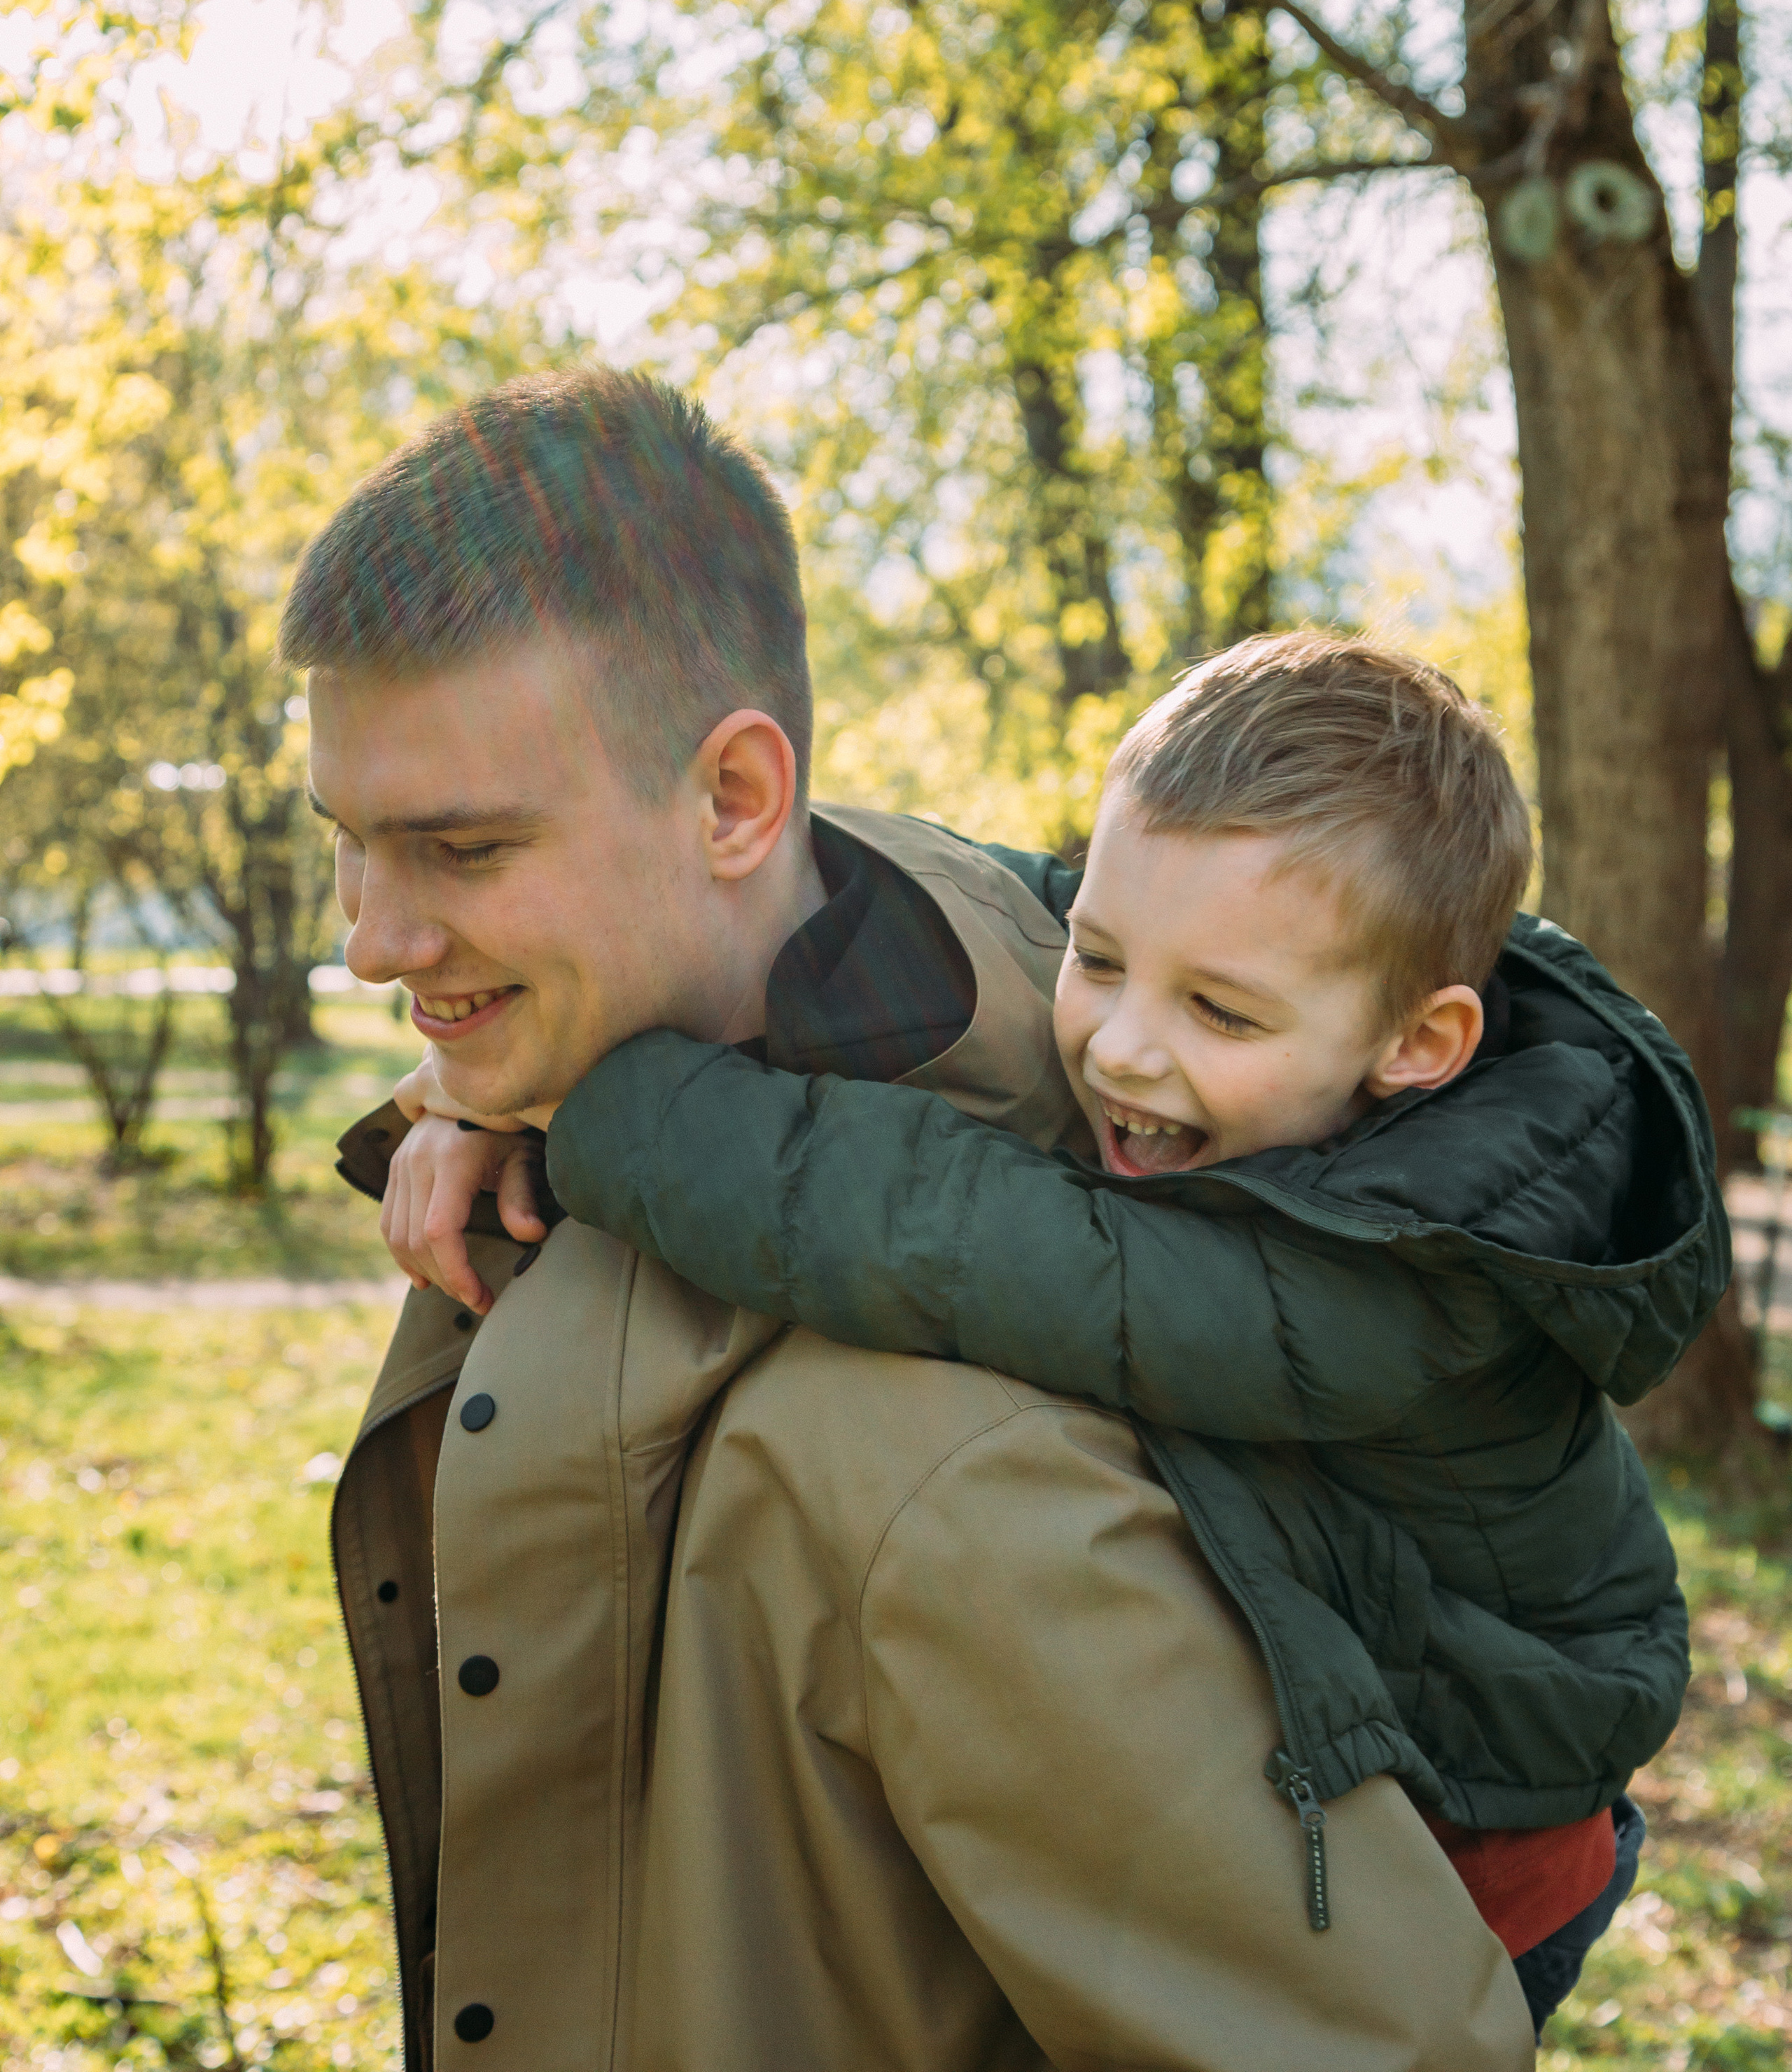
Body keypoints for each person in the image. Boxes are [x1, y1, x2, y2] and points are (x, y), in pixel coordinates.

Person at [291, 365, 1536, 2071]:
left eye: (460, 849)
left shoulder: (934, 1462)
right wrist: (488, 1091)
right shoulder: (598, 1067)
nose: (369, 937)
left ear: (736, 799)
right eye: (350, 841)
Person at [399, 630, 1730, 2043]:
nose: (1118, 1048)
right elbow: (974, 901)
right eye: (1098, 957)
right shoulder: (1278, 1019)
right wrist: (541, 1014)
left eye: (1217, 1009)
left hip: (1478, 1849)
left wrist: (594, 1111)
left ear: (1417, 1044)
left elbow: (947, 1233)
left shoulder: (1380, 1293)